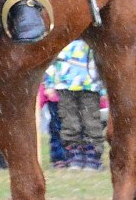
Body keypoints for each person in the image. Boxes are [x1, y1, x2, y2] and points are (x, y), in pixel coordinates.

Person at [45, 40, 105, 170]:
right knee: (69, 122)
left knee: (91, 121)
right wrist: (49, 84)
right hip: (64, 84)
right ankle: (74, 153)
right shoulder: (60, 37)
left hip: (90, 85)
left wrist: (105, 88)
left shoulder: (94, 37)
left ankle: (92, 154)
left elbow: (103, 61)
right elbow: (52, 60)